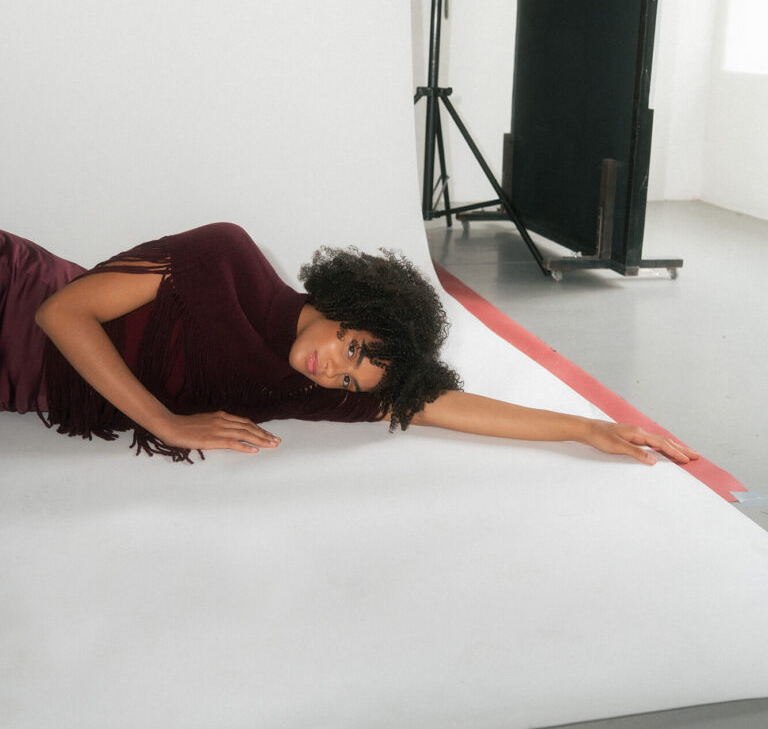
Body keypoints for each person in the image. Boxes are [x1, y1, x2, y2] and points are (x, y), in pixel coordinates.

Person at [1, 223, 696, 467]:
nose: (332, 370)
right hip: (16, 296)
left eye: (349, 381)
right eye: (353, 349)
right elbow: (62, 313)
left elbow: (441, 406)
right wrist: (167, 423)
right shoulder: (225, 257)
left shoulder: (303, 388)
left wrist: (587, 428)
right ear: (348, 307)